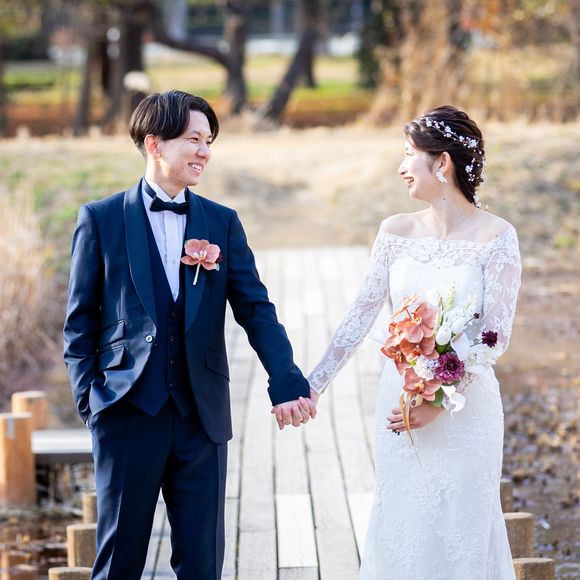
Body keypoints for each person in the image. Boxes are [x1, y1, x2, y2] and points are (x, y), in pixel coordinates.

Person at [63, 90, 316, 580]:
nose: (205, 152)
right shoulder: (101, 219)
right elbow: (79, 324)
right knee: (117, 566)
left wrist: (286, 380)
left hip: (202, 419)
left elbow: (256, 310)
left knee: (203, 566)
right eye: (194, 140)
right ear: (154, 144)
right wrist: (92, 406)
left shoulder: (221, 222)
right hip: (126, 413)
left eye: (209, 141)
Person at [305, 106, 521, 579]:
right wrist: (312, 385)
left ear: (442, 163)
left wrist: (441, 400)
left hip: (466, 412)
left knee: (463, 531)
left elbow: (494, 336)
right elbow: (360, 316)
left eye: (409, 155)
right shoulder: (395, 232)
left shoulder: (497, 237)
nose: (401, 167)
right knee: (403, 524)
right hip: (399, 403)